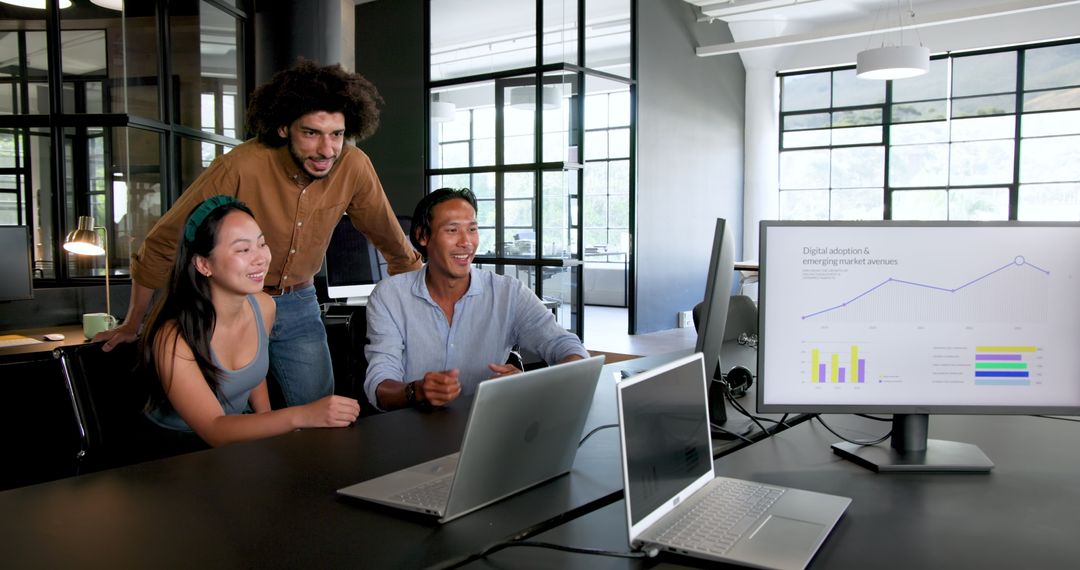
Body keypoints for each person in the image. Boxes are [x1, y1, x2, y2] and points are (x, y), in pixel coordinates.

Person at [98, 60, 423, 408]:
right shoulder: (240, 165)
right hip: (226, 303)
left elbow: (390, 238)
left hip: (299, 302)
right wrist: (133, 322)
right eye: (311, 133)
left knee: (320, 409)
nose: (327, 150)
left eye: (337, 134)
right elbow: (165, 242)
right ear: (283, 128)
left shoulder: (354, 166)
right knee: (223, 417)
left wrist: (425, 302)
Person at [140, 195, 360, 448]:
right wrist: (302, 415)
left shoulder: (264, 306)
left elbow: (254, 377)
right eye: (243, 250)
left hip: (235, 439)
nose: (261, 258)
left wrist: (266, 421)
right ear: (203, 264)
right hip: (175, 451)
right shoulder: (174, 337)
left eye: (262, 244)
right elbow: (214, 429)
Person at [363, 188, 590, 411]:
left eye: (472, 229)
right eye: (452, 230)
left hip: (488, 428)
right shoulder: (389, 296)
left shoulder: (508, 293)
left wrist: (530, 385)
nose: (466, 242)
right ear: (423, 235)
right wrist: (417, 390)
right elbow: (380, 386)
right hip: (412, 433)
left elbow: (567, 347)